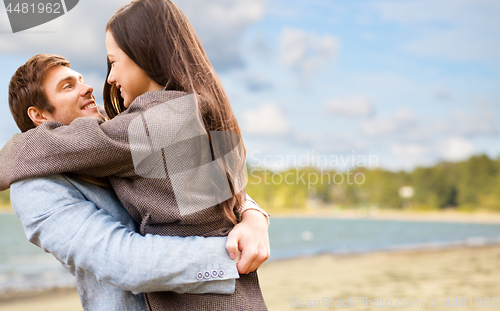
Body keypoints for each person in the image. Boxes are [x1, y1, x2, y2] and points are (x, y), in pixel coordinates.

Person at [0, 0, 269, 309]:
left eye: (112, 63)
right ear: (39, 116)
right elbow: (125, 261)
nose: (93, 86)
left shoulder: (140, 128)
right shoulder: (34, 185)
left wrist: (252, 217)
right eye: (68, 86)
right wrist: (236, 245)